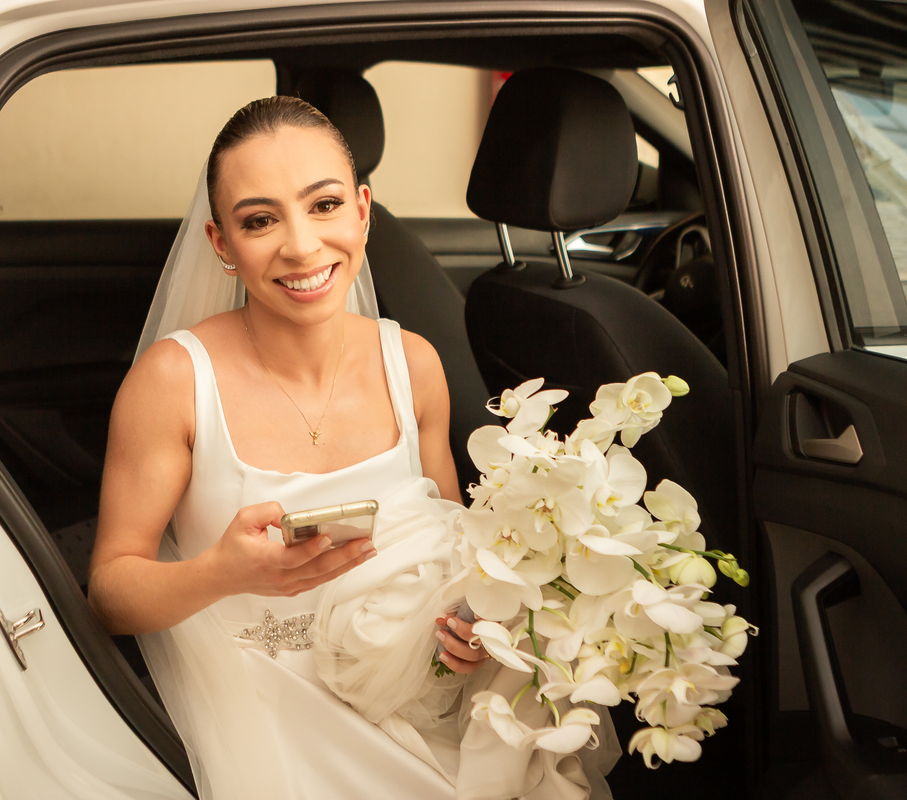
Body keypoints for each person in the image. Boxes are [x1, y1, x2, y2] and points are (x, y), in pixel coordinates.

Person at [88, 96, 612, 800]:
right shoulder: (173, 382)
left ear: (362, 211)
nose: (302, 246)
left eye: (325, 205)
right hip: (263, 708)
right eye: (260, 220)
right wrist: (221, 573)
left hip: (413, 695)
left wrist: (465, 631)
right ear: (221, 243)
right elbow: (111, 592)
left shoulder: (414, 364)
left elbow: (453, 559)